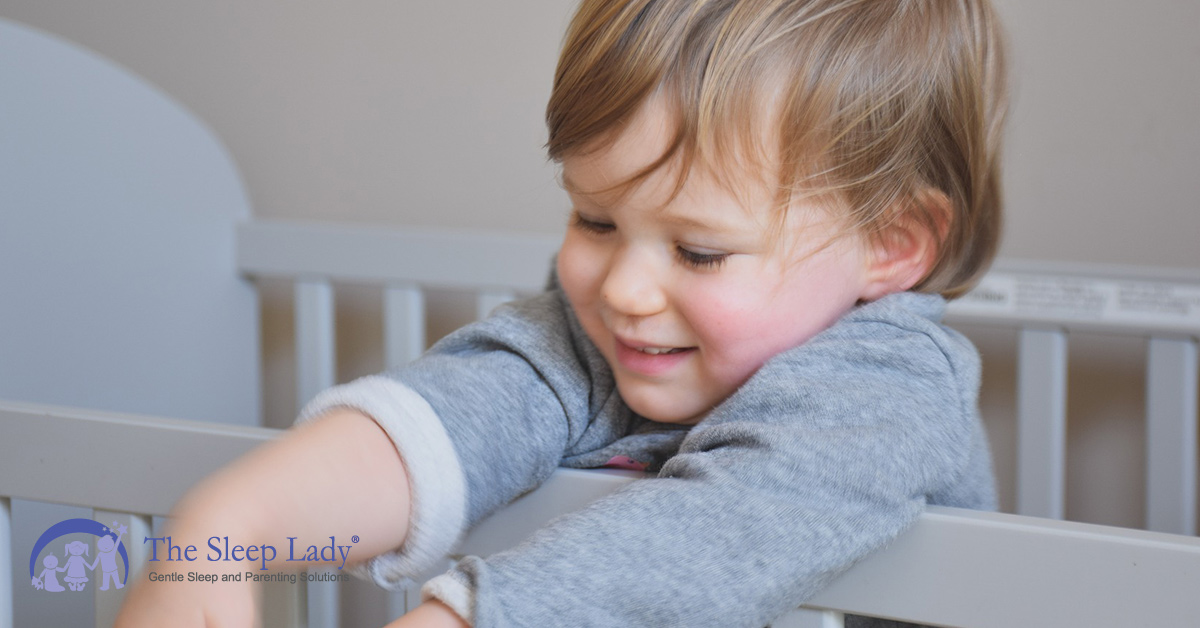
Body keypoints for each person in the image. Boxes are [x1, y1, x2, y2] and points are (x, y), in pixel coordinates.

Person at [118, 0, 1008, 626]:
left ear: (892, 245)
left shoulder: (889, 390)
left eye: (698, 251)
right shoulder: (608, 343)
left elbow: (713, 540)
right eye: (595, 219)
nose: (625, 289)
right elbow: (450, 419)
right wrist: (223, 528)